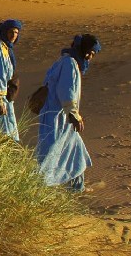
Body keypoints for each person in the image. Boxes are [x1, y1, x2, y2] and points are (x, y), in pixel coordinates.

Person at [35, 33, 101, 191]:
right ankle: (41, 188)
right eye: (89, 53)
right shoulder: (69, 64)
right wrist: (74, 114)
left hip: (58, 117)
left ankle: (77, 186)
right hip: (59, 118)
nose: (90, 57)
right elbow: (66, 91)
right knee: (51, 154)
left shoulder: (65, 61)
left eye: (93, 54)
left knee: (75, 151)